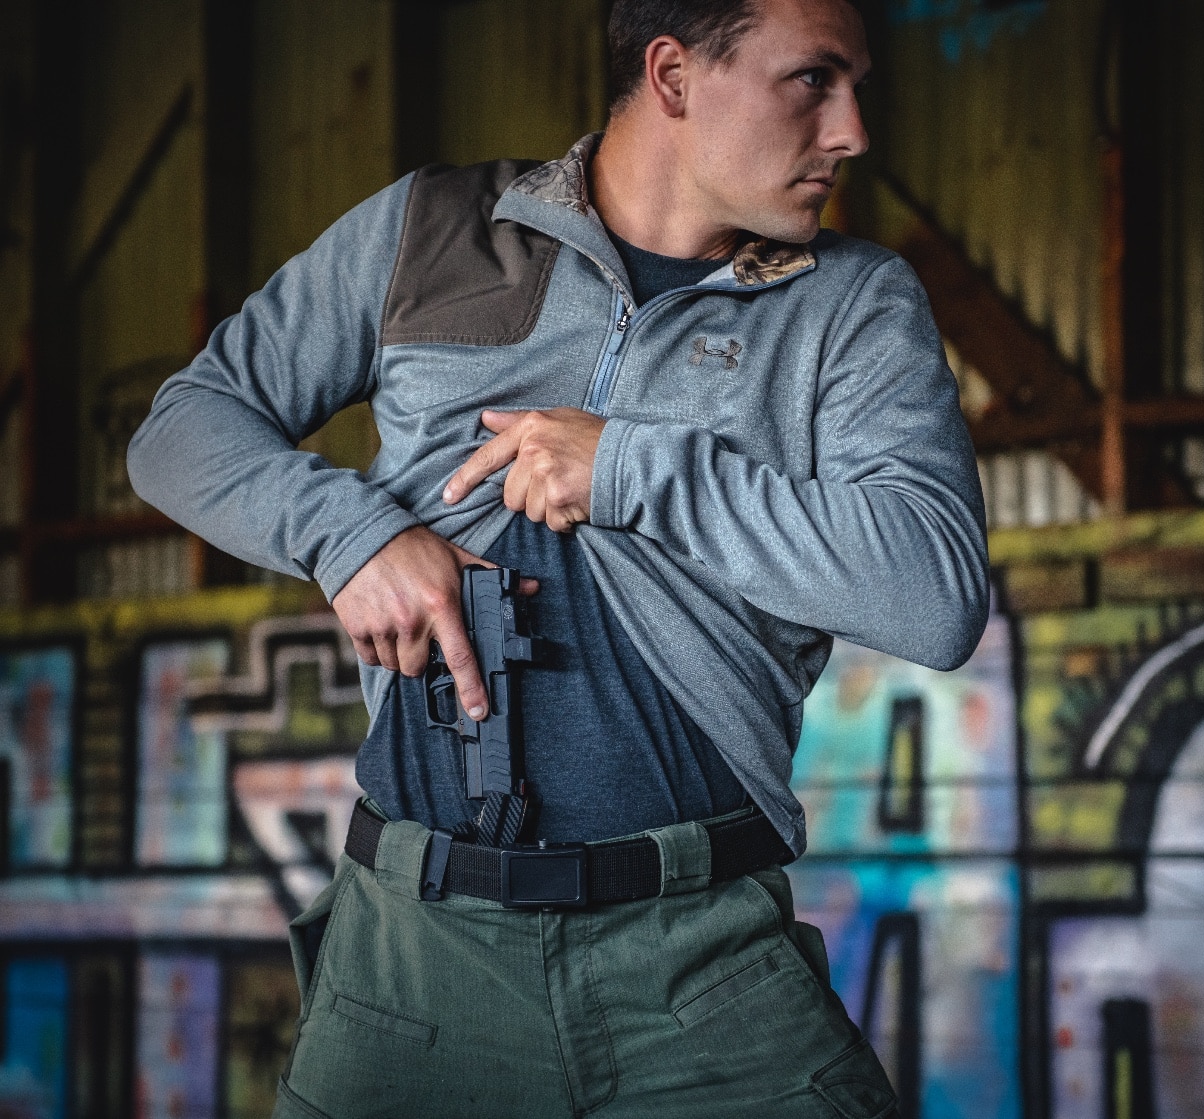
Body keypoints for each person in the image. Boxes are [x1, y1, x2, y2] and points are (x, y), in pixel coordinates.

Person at [128, 0, 988, 1113]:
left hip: (702, 967)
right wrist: (354, 538)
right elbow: (182, 428)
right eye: (812, 82)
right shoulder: (429, 232)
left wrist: (630, 469)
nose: (851, 131)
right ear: (673, 75)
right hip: (407, 964)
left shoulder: (852, 305)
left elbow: (933, 596)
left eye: (853, 87)